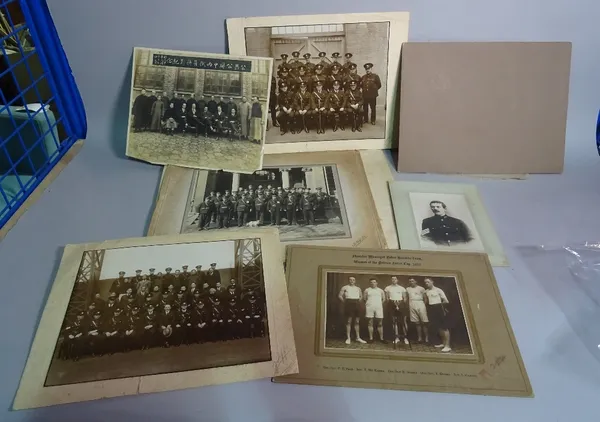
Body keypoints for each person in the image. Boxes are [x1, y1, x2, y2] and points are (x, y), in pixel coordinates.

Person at [424, 278, 451, 352]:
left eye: (428, 282)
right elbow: (426, 302)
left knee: (444, 327)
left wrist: (439, 306)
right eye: (425, 282)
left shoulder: (438, 290)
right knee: (438, 327)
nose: (426, 283)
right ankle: (443, 343)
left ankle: (448, 346)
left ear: (432, 282)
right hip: (432, 309)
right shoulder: (426, 291)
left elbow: (446, 301)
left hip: (439, 308)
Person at [338, 276, 366, 345]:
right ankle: (348, 338)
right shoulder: (345, 287)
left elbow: (361, 296)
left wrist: (357, 302)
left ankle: (358, 337)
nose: (352, 281)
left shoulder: (358, 288)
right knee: (349, 321)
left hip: (357, 303)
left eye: (353, 280)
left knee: (357, 321)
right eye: (350, 280)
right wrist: (345, 301)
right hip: (348, 303)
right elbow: (339, 295)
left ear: (355, 281)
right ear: (348, 280)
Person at [384, 276, 409, 345]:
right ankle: (396, 337)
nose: (393, 280)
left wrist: (399, 304)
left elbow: (405, 298)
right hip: (391, 305)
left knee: (403, 321)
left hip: (401, 305)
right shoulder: (387, 288)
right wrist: (393, 303)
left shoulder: (402, 288)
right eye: (392, 279)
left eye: (395, 279)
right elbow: (387, 298)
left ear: (397, 280)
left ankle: (405, 338)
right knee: (394, 321)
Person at [363, 278, 386, 343]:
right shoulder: (367, 290)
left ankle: (381, 338)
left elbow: (384, 299)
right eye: (371, 282)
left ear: (377, 283)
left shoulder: (380, 290)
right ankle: (371, 338)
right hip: (370, 307)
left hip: (378, 307)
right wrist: (369, 304)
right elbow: (364, 299)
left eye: (374, 282)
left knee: (380, 323)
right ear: (370, 283)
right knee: (370, 323)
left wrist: (378, 304)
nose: (373, 283)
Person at [406, 278, 429, 343]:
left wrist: (423, 306)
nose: (411, 282)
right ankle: (420, 338)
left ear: (416, 281)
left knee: (424, 322)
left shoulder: (421, 288)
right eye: (410, 281)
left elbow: (425, 298)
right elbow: (407, 298)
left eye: (412, 281)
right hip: (412, 304)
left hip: (420, 304)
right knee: (417, 323)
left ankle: (426, 338)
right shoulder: (408, 289)